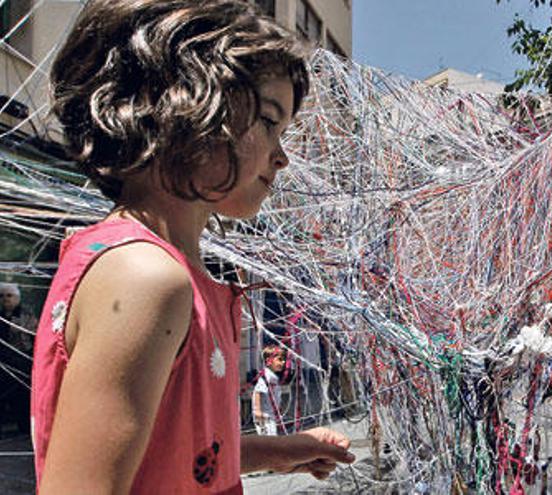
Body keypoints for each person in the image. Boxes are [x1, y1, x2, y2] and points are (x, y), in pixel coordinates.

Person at [30, 1, 355, 493]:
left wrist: (277, 452)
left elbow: (169, 455)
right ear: (187, 107)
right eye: (269, 121)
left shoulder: (161, 269)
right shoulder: (145, 278)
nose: (282, 156)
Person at [0, 282, 34, 436]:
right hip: (4, 362)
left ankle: (25, 427)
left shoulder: (27, 316)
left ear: (17, 298)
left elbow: (31, 337)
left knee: (22, 395)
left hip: (21, 360)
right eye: (1, 296)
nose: (5, 299)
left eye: (9, 296)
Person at [252, 346, 287, 436]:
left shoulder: (272, 376)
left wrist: (279, 409)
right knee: (268, 437)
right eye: (280, 359)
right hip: (264, 415)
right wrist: (257, 410)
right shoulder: (266, 376)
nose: (283, 362)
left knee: (272, 435)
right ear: (269, 361)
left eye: (284, 360)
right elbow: (258, 391)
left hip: (271, 413)